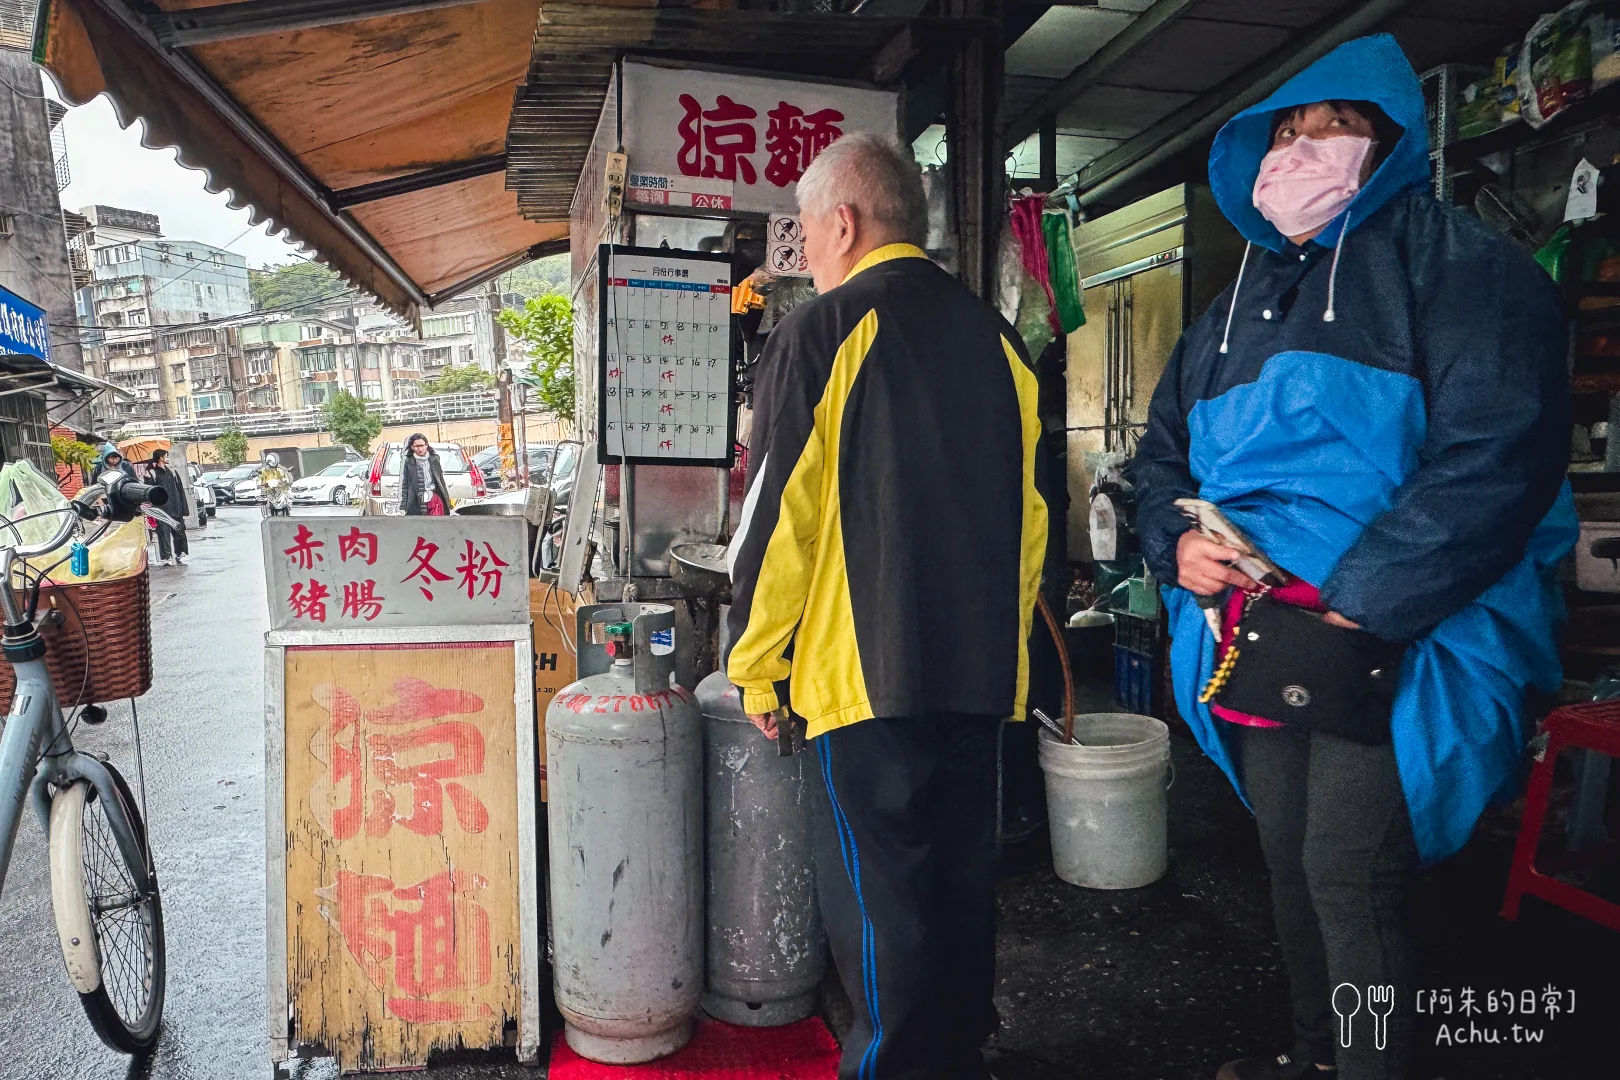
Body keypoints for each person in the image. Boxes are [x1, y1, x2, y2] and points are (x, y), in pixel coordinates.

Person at [1127, 35, 1572, 1080]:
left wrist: (1359, 603)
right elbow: (1159, 460)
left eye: (1329, 125)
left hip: (1402, 636)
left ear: (1390, 136)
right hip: (1261, 631)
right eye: (1283, 132)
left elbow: (1496, 458)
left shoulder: (1465, 270)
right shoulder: (1228, 314)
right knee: (1287, 860)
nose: (1300, 149)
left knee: (1350, 876)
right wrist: (1176, 543)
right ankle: (1314, 1058)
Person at [726, 132, 1048, 1080]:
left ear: (843, 220)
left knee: (881, 900)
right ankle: (957, 1054)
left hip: (863, 676)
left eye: (808, 233)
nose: (809, 254)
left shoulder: (825, 330)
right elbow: (1031, 519)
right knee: (959, 879)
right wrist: (1007, 644)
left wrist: (755, 663)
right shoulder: (998, 339)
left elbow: (778, 520)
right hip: (983, 669)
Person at [147, 449, 189, 566]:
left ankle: (179, 552)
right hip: (161, 507)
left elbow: (178, 490)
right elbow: (149, 489)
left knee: (179, 531)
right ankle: (166, 556)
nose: (168, 458)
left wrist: (181, 506)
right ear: (160, 457)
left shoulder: (172, 472)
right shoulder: (152, 472)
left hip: (175, 506)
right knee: (163, 532)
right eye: (166, 456)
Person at [399, 433, 450, 516]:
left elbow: (441, 481)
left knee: (435, 524)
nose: (420, 448)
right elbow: (405, 485)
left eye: (422, 445)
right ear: (412, 447)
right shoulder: (409, 462)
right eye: (417, 446)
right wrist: (403, 506)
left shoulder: (434, 459)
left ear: (426, 445)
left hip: (434, 498)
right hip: (416, 500)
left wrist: (447, 502)